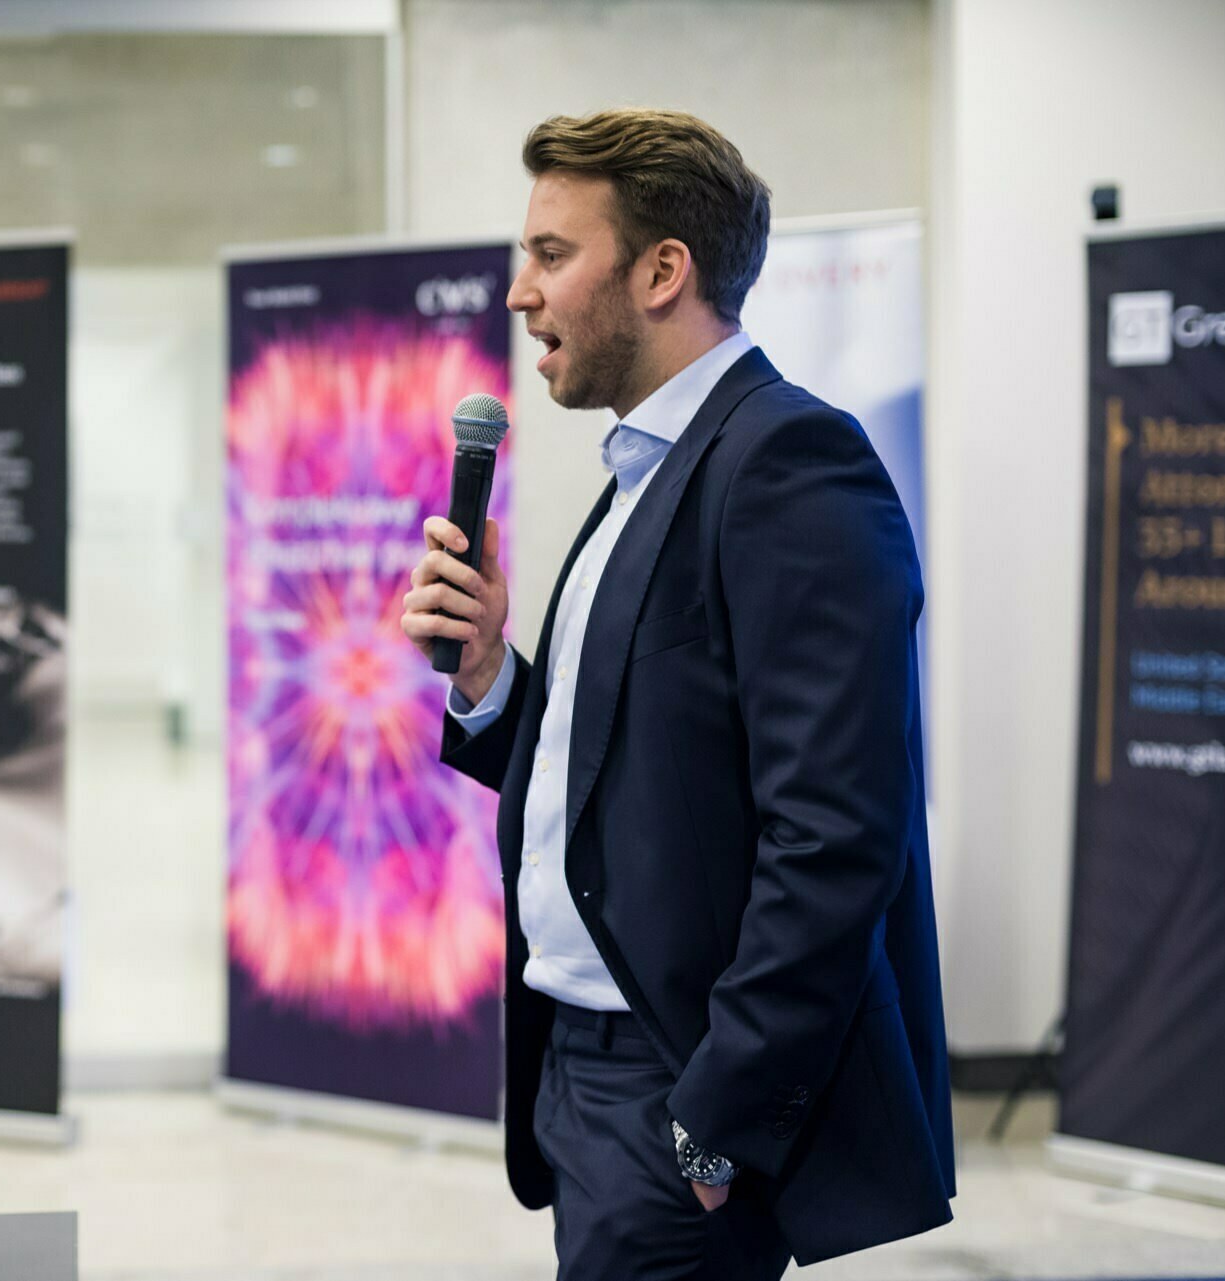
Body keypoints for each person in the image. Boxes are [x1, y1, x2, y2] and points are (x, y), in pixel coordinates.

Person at [399, 108, 954, 1279]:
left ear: (662, 271)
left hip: (675, 1089)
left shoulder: (789, 463)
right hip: (580, 1070)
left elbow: (839, 834)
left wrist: (718, 1120)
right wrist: (494, 679)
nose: (517, 292)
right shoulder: (640, 476)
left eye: (552, 255)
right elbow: (627, 771)